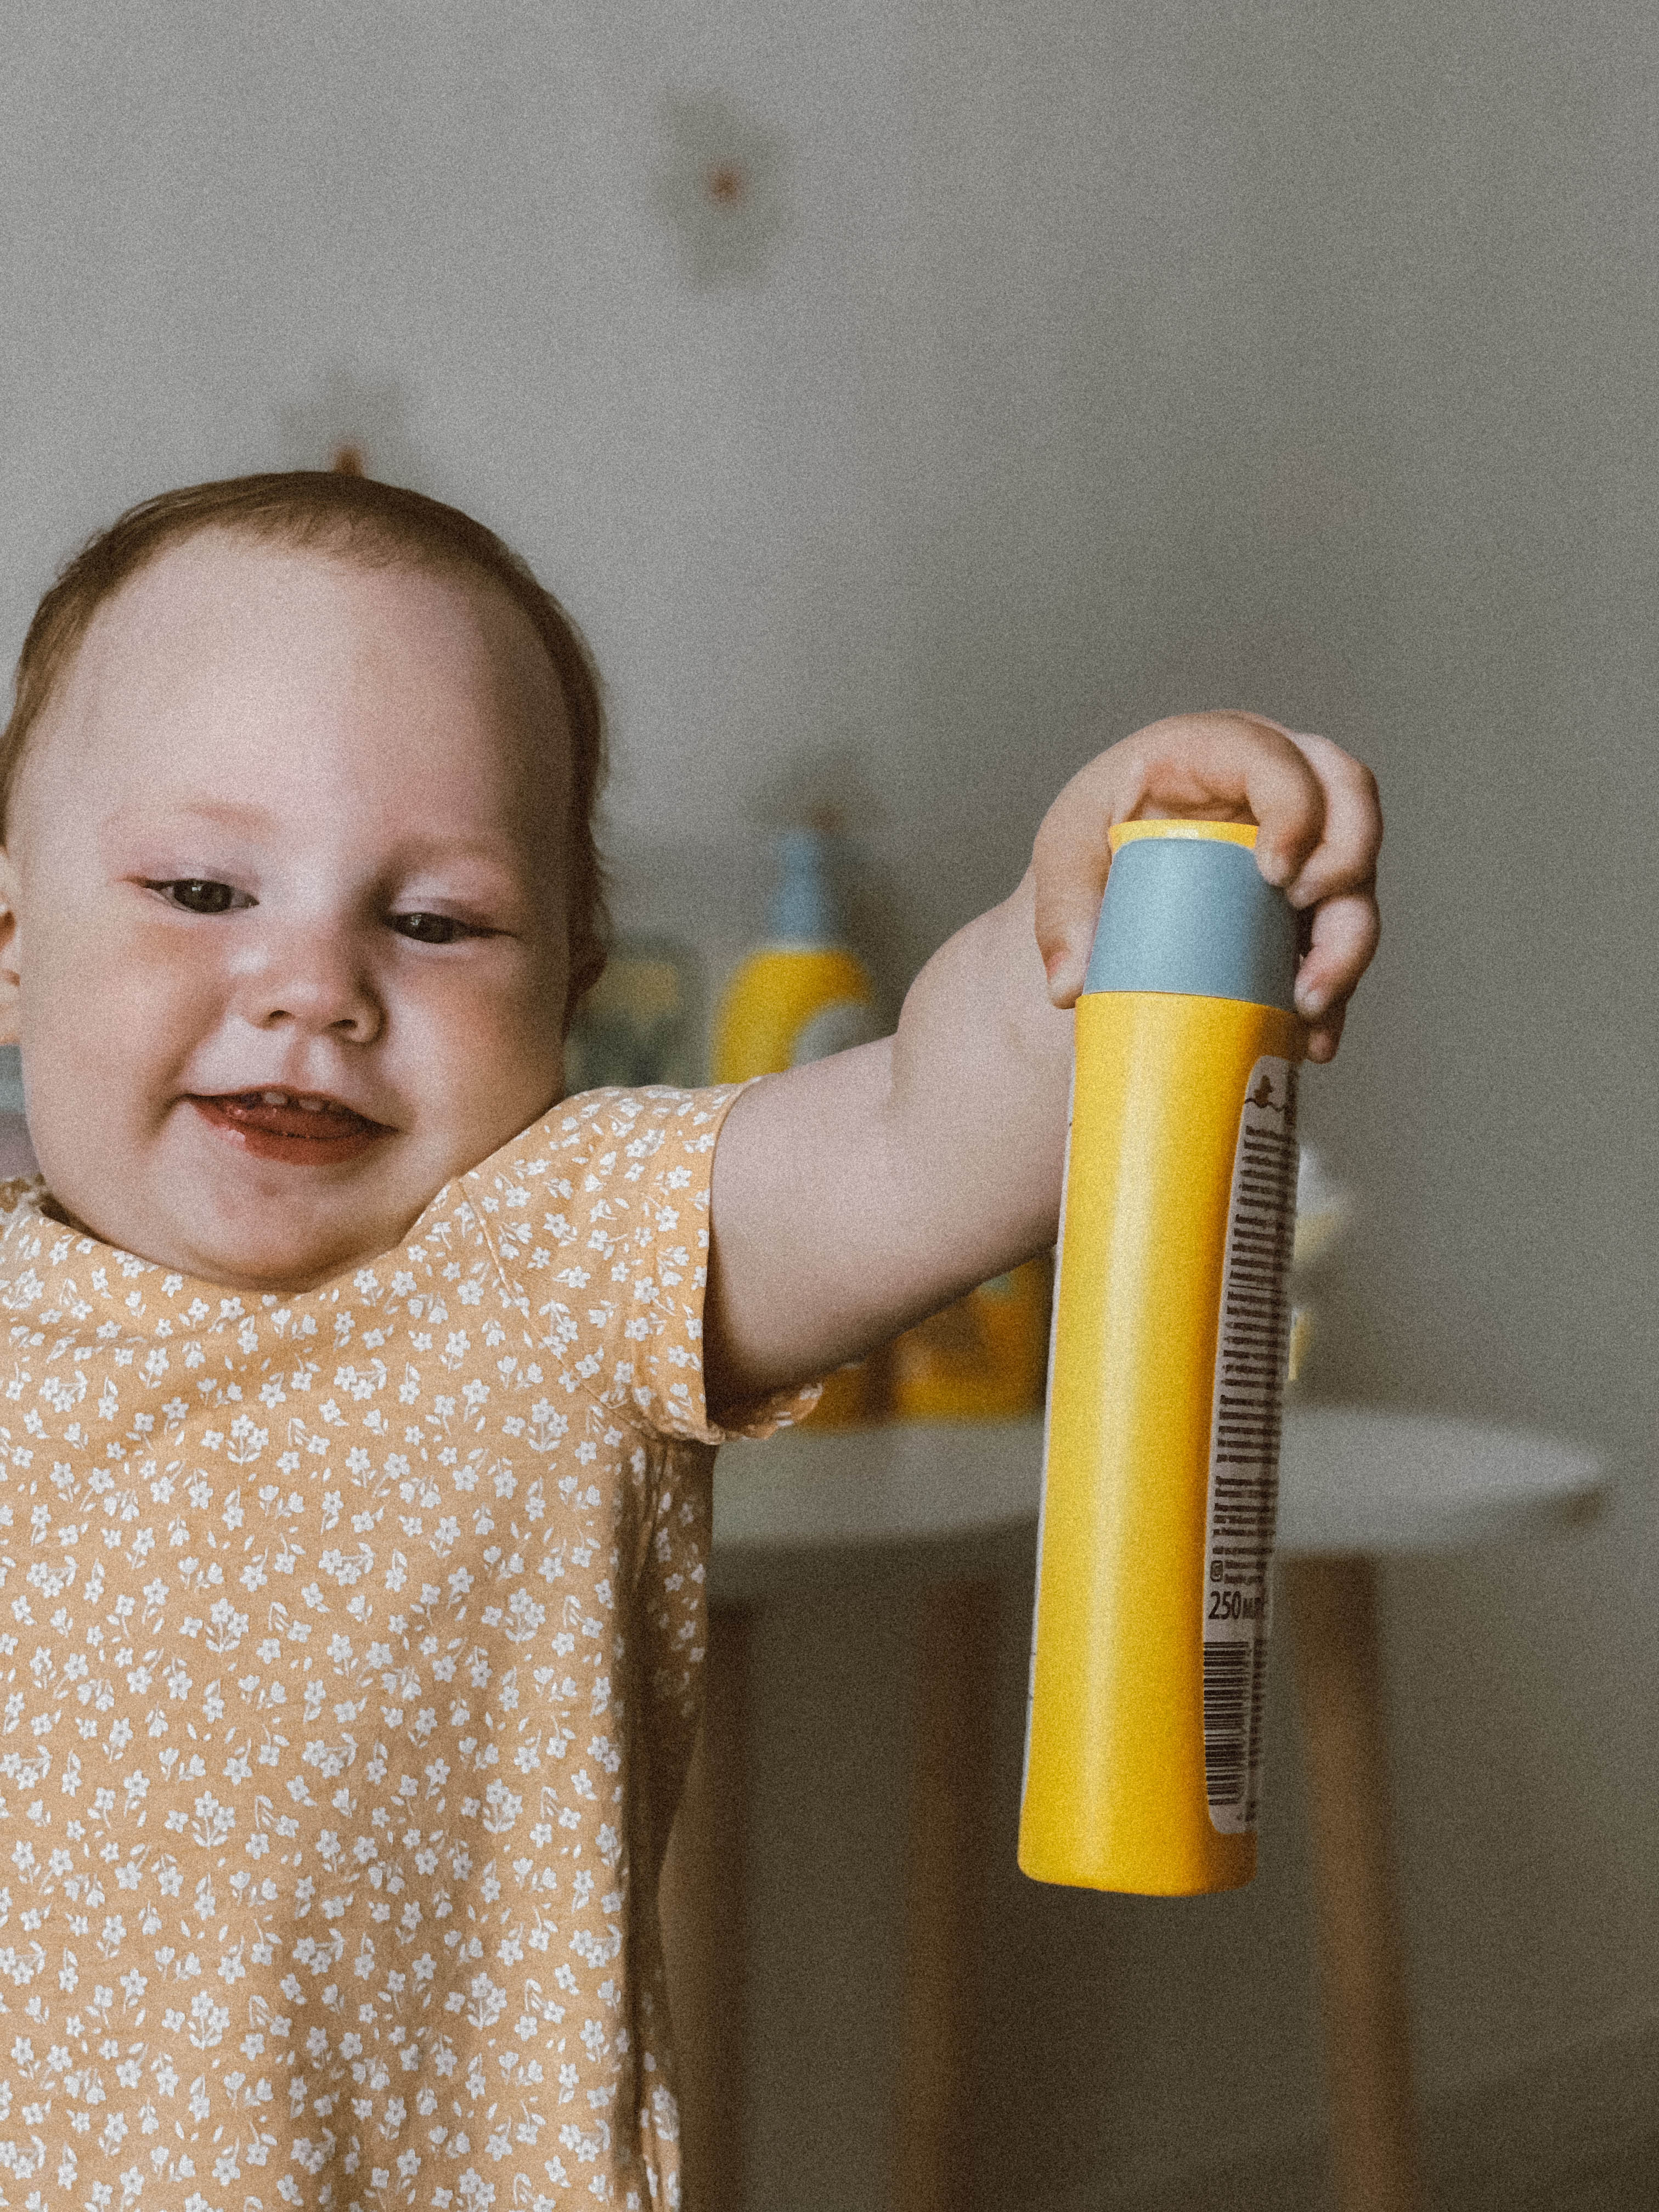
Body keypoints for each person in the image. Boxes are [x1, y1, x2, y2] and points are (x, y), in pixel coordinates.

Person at [0, 472, 1380, 2212]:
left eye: (433, 922)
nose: (311, 984)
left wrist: (1125, 899)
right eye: (203, 889)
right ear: (11, 941)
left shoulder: (560, 1254)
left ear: (571, 982)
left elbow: (933, 1129)